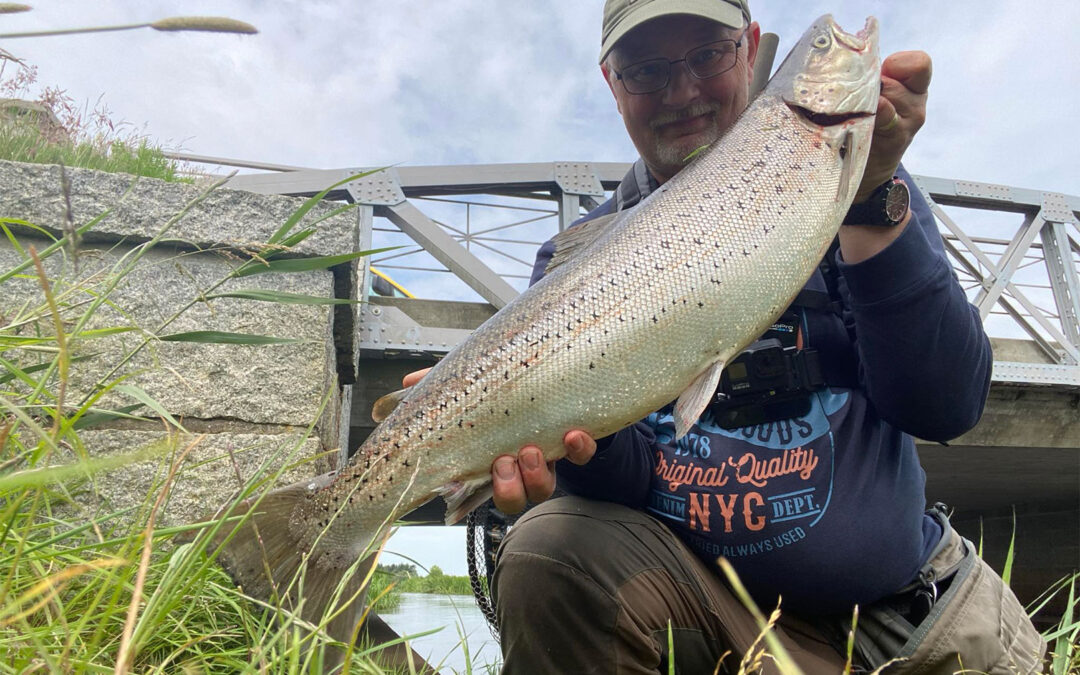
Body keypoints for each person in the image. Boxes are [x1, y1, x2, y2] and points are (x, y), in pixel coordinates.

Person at [404, 1, 1046, 672]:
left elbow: (943, 405)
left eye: (707, 55)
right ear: (611, 83)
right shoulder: (574, 264)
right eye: (647, 70)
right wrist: (575, 442)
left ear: (751, 49)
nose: (681, 92)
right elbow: (632, 481)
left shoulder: (850, 179)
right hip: (713, 623)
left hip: (902, 623)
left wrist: (872, 195)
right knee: (545, 547)